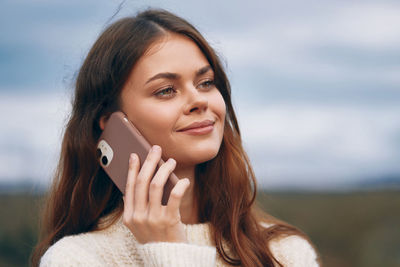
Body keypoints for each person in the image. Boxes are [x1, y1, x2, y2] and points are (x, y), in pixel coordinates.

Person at [31, 8, 320, 267]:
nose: (199, 100)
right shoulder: (77, 259)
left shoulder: (285, 254)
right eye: (166, 90)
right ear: (112, 125)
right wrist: (168, 250)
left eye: (206, 83)